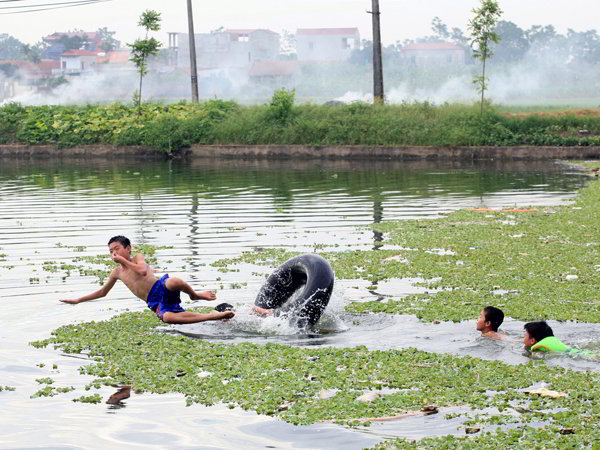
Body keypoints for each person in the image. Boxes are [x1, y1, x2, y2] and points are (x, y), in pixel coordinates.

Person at [60, 235, 234, 324]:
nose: (114, 253)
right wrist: (78, 300)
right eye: (111, 251)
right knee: (168, 318)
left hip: (161, 287)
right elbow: (102, 292)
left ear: (128, 248)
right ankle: (211, 316)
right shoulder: (117, 273)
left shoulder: (137, 258)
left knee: (174, 281)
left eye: (117, 249)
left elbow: (143, 271)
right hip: (154, 301)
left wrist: (124, 260)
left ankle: (195, 295)